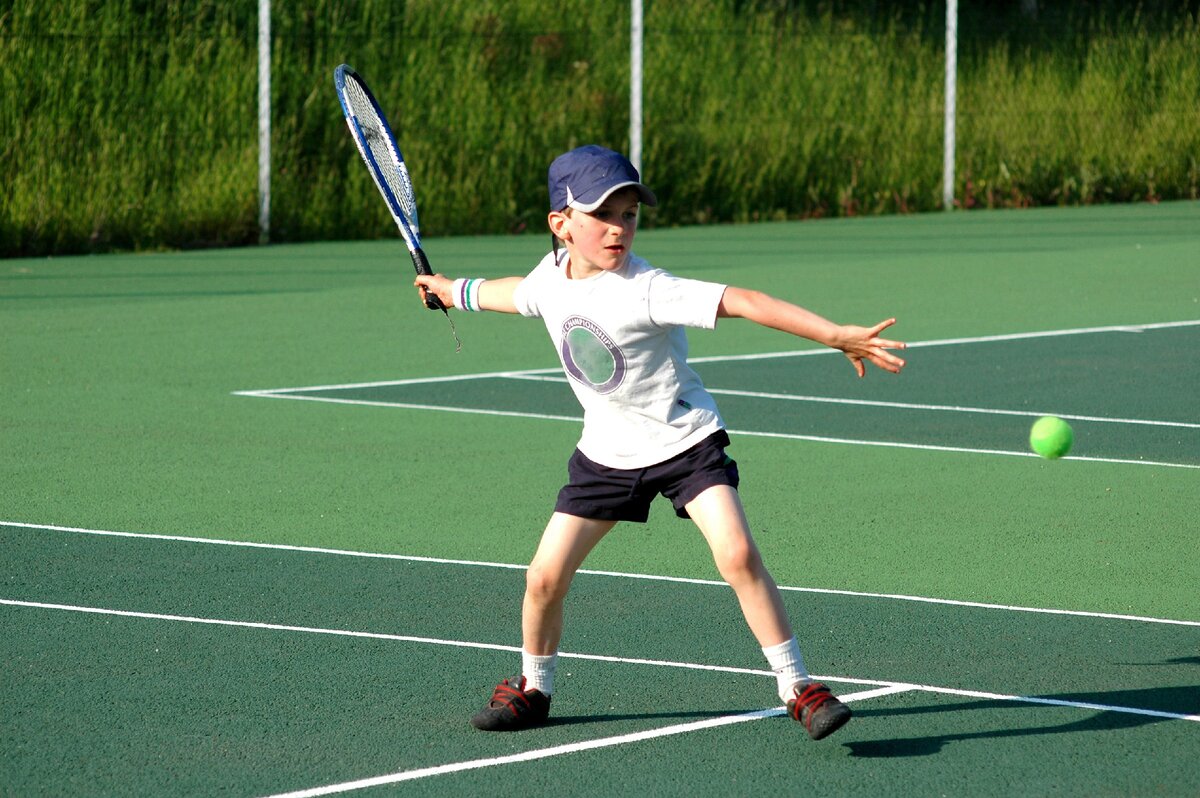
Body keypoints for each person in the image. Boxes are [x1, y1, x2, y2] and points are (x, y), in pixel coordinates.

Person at [415, 144, 906, 741]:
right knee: (543, 577)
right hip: (605, 456)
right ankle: (534, 688)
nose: (619, 227)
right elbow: (513, 292)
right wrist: (452, 290)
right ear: (561, 224)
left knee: (738, 556)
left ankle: (797, 686)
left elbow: (744, 302)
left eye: (629, 213)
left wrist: (835, 334)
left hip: (685, 445)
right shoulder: (551, 280)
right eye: (602, 214)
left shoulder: (649, 288)